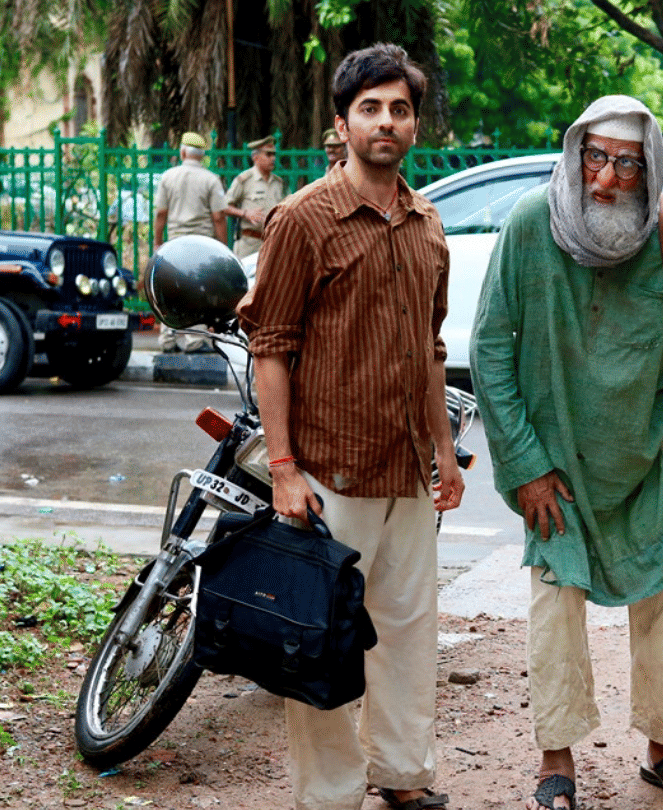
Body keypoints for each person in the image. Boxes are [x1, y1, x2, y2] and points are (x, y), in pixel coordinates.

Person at [469, 95, 663, 810]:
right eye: (594, 157)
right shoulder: (532, 223)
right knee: (554, 609)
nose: (604, 179)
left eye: (626, 164)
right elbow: (489, 348)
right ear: (574, 155)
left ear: (649, 168)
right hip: (555, 464)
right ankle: (556, 760)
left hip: (649, 464)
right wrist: (526, 465)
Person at [235, 43, 463, 810]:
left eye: (399, 108)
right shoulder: (303, 219)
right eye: (370, 108)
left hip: (407, 472)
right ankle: (330, 793)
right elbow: (270, 345)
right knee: (323, 639)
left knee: (407, 636)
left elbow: (430, 351)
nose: (386, 121)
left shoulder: (428, 224)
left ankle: (402, 775)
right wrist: (285, 466)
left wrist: (445, 452)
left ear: (414, 124)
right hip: (331, 472)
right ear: (343, 123)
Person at [153, 131, 228, 352]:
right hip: (202, 245)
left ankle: (167, 339)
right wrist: (222, 247)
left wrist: (158, 242)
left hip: (175, 244)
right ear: (202, 155)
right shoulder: (211, 179)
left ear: (183, 152)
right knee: (197, 291)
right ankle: (194, 340)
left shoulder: (168, 176)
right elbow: (219, 217)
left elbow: (160, 214)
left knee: (171, 291)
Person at [224, 135, 287, 258]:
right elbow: (224, 206)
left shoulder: (279, 183)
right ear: (255, 157)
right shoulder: (245, 180)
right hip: (249, 243)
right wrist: (245, 213)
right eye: (268, 155)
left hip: (273, 242)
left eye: (274, 154)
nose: (273, 158)